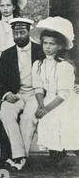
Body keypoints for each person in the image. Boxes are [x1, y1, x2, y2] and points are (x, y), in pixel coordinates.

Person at [0, 18, 44, 171]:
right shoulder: (7, 54)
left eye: (22, 32)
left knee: (28, 118)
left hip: (36, 93)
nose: (19, 36)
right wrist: (7, 94)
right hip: (17, 93)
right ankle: (19, 155)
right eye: (16, 33)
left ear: (29, 32)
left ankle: (18, 159)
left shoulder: (40, 50)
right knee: (5, 112)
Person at [29, 16, 79, 166]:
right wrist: (41, 105)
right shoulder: (38, 64)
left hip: (64, 101)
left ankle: (69, 151)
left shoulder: (65, 66)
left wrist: (47, 109)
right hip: (48, 99)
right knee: (46, 119)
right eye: (45, 43)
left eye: (52, 44)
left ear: (59, 46)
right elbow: (38, 87)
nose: (48, 47)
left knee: (64, 122)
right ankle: (56, 154)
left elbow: (64, 93)